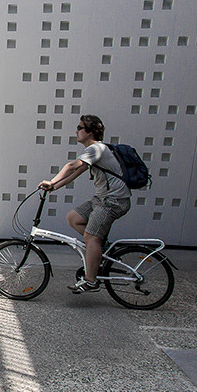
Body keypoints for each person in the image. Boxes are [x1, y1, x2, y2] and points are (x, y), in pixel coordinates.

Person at [39, 114, 131, 293]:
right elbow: (76, 173)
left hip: (113, 202)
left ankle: (91, 280)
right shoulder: (94, 152)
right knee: (73, 218)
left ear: (89, 132)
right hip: (102, 199)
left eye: (80, 128)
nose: (77, 131)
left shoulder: (97, 149)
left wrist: (51, 180)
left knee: (90, 237)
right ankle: (97, 247)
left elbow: (71, 166)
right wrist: (54, 187)